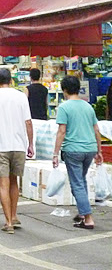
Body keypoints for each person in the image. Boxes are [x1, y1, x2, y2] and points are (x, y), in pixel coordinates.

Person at [0, 68, 33, 234]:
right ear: (11, 80)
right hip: (18, 145)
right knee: (14, 181)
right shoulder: (21, 96)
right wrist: (30, 144)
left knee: (3, 184)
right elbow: (28, 122)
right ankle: (14, 216)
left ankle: (8, 222)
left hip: (0, 146)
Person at [52, 76, 103, 229]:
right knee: (81, 180)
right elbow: (96, 130)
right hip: (90, 149)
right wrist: (99, 150)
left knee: (77, 183)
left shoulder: (64, 107)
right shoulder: (88, 106)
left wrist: (55, 153)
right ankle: (82, 212)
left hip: (73, 149)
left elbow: (62, 131)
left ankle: (88, 218)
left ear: (64, 90)